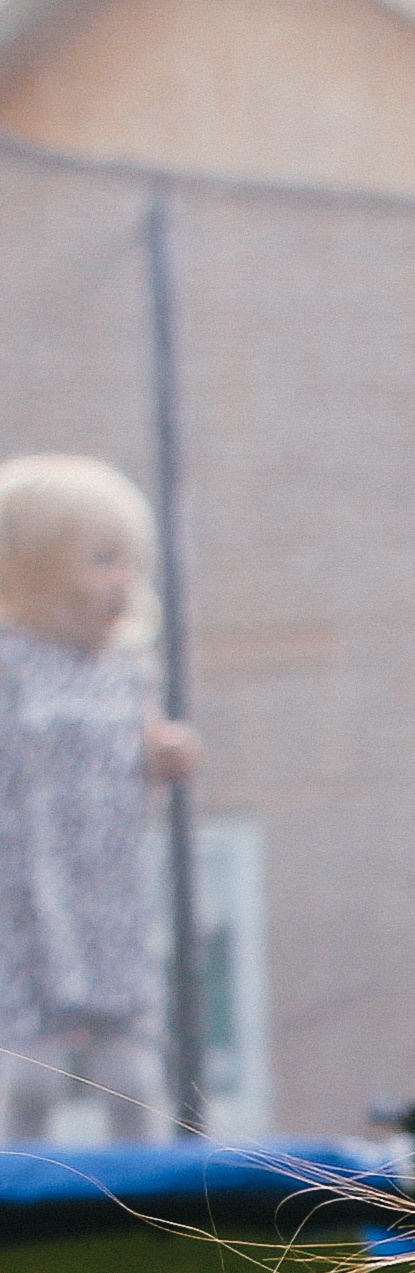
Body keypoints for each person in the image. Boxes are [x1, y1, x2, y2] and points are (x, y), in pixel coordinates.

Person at [0, 455, 199, 1146]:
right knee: (33, 1072)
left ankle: (145, 1193)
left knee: (131, 1069)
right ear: (32, 568)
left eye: (130, 564)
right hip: (27, 891)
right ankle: (21, 1190)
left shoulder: (123, 670)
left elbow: (142, 741)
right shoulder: (9, 663)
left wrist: (163, 750)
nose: (123, 581)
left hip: (106, 889)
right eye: (102, 559)